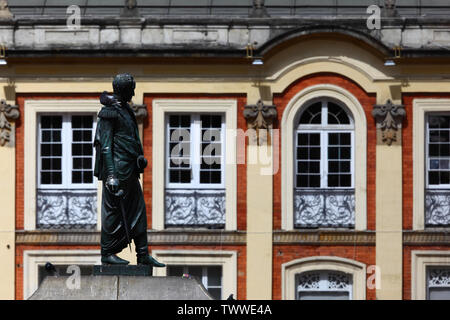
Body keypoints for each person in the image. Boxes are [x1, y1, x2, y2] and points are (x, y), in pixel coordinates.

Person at [94, 73, 165, 267]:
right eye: (132, 88)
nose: (134, 92)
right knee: (113, 212)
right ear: (125, 89)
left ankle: (142, 254)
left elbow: (130, 139)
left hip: (129, 169)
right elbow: (106, 145)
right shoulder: (109, 112)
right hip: (116, 170)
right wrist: (110, 175)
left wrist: (138, 158)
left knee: (138, 211)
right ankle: (107, 252)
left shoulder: (125, 110)